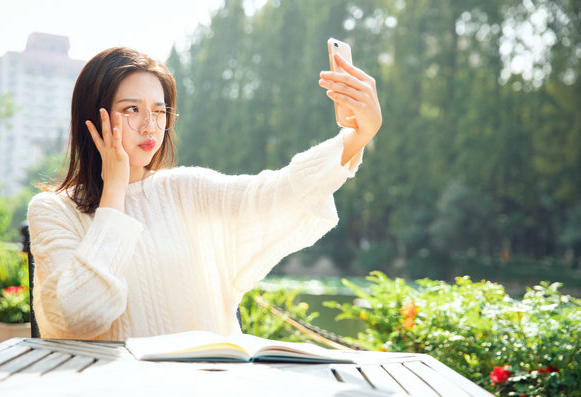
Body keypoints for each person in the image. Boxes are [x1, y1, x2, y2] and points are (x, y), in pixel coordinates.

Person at [27, 46, 382, 341]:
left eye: (159, 110)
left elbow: (276, 192)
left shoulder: (187, 189)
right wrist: (115, 190)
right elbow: (79, 318)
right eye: (132, 109)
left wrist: (357, 136)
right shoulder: (52, 211)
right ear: (93, 118)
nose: (150, 125)